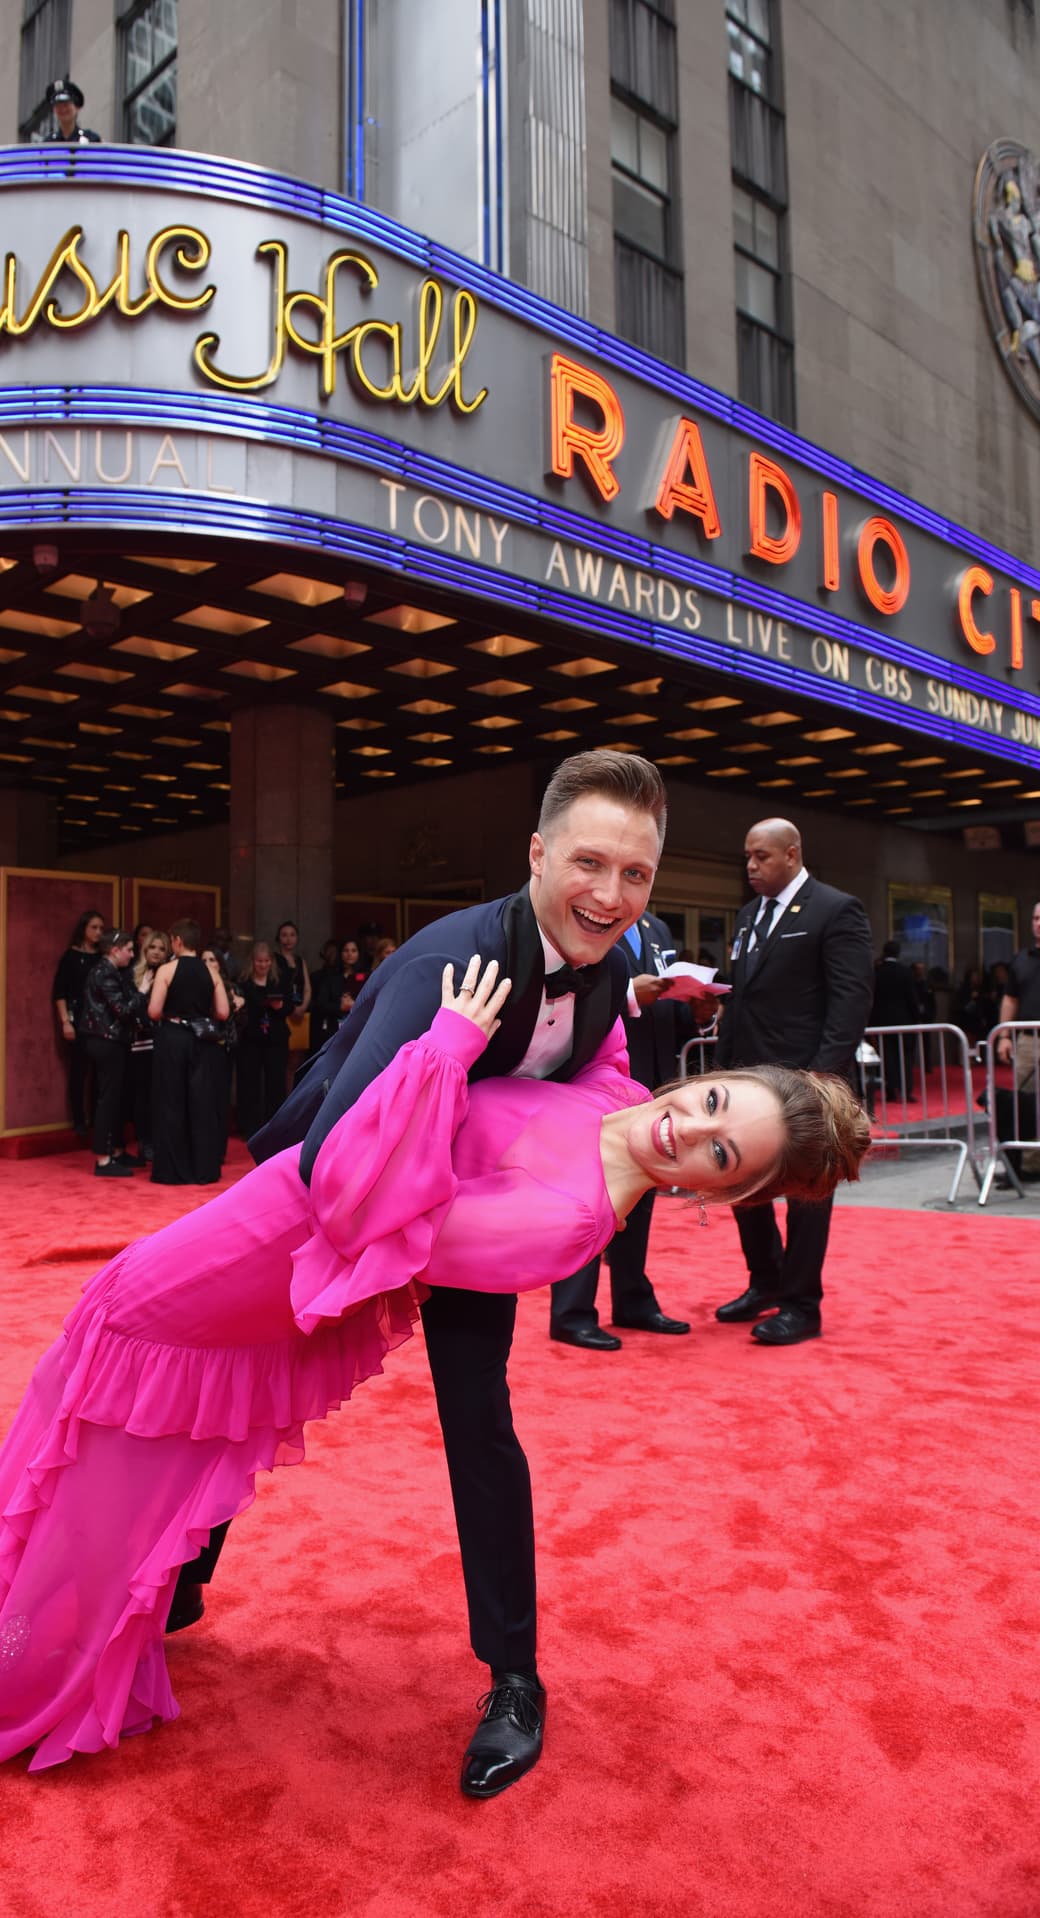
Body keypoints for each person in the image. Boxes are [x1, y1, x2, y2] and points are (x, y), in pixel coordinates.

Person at [0, 953, 870, 1780]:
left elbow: (388, 1219)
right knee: (110, 1425)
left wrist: (444, 1048)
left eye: (719, 1154)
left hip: (269, 1255)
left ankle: (17, 1672)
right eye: (716, 1100)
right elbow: (585, 1035)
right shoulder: (620, 1094)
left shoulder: (567, 1224)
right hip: (265, 1212)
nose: (686, 1128)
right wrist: (633, 978)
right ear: (714, 1070)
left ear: (722, 1198)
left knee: (106, 1432)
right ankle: (60, 1641)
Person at [173, 749, 667, 1797]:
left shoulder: (612, 966)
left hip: (460, 1219)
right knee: (251, 1386)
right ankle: (179, 1567)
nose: (608, 895)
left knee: (479, 1422)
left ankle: (515, 1678)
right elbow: (332, 1150)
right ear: (535, 853)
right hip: (326, 1206)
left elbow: (573, 1097)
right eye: (587, 862)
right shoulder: (448, 959)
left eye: (634, 875)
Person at [713, 817, 873, 1347]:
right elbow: (741, 996)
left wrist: (821, 1079)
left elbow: (850, 1002)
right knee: (743, 1183)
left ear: (792, 853)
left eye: (761, 857)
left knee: (807, 1194)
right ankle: (765, 1282)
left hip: (807, 1079)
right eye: (747, 857)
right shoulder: (749, 915)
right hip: (749, 1079)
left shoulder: (835, 909)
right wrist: (722, 1068)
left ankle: (802, 1304)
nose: (751, 867)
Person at [550, 907, 719, 1348]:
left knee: (640, 1189)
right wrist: (627, 992)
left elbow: (666, 1010)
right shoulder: (582, 919)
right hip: (596, 1077)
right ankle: (571, 1310)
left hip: (651, 1079)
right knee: (588, 1192)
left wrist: (698, 1014)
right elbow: (562, 990)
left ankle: (632, 1300)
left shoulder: (658, 927)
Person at [147, 919, 233, 1186]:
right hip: (202, 1042)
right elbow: (223, 1012)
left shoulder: (166, 970)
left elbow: (153, 1011)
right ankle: (203, 1170)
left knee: (171, 1103)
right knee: (201, 1104)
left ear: (178, 941)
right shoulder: (212, 973)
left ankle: (172, 1172)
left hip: (173, 1039)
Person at [78, 930, 148, 1177]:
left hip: (110, 1040)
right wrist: (143, 990)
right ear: (114, 950)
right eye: (128, 949)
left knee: (116, 1097)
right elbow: (123, 1010)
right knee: (108, 1098)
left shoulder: (109, 971)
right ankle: (103, 1158)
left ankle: (115, 1151)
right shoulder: (104, 972)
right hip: (106, 1041)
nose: (132, 954)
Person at [994, 900, 1040, 1178]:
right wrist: (1004, 1036)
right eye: (1035, 918)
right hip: (1028, 1041)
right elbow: (1010, 999)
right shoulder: (1021, 959)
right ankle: (1032, 1163)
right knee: (1027, 1102)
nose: (1039, 923)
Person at [52, 909, 106, 1138]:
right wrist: (65, 1022)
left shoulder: (103, 957)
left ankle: (96, 1116)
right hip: (78, 1018)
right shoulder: (71, 956)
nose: (98, 932)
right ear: (83, 929)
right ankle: (78, 1119)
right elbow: (59, 992)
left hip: (101, 1021)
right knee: (78, 1071)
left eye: (101, 928)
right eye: (94, 927)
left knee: (99, 1072)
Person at [234, 941, 295, 1139]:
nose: (263, 965)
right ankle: (249, 1127)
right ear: (252, 962)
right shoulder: (243, 982)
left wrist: (279, 1007)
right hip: (251, 1039)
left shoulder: (279, 980)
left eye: (267, 961)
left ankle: (275, 1127)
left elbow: (290, 1007)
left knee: (276, 1083)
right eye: (259, 961)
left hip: (275, 1038)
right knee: (249, 1083)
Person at [128, 930, 169, 1166]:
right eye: (152, 947)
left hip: (162, 1043)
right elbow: (130, 1009)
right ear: (145, 949)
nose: (156, 952)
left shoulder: (169, 974)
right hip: (139, 1046)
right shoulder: (133, 974)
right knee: (142, 1097)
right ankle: (145, 1144)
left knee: (161, 1096)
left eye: (161, 948)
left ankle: (159, 1143)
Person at [871, 938, 923, 1096]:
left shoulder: (877, 971)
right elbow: (911, 998)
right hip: (904, 1021)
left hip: (882, 1022)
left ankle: (890, 1091)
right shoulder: (905, 972)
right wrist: (916, 1018)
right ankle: (906, 1090)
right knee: (906, 1057)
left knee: (887, 1057)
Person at [43, 78, 101, 145]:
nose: (63, 109)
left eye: (66, 105)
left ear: (77, 108)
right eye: (58, 106)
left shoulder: (91, 139)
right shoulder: (48, 143)